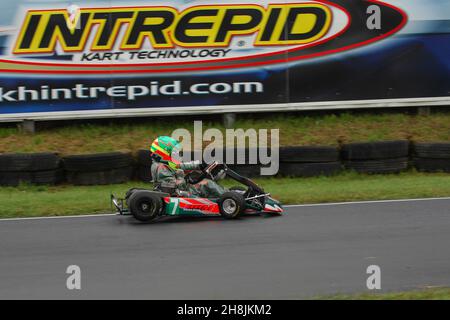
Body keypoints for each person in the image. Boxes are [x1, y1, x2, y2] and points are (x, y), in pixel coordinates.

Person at [150, 136, 226, 198]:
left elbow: (184, 165)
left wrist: (201, 165)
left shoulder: (168, 165)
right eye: (173, 153)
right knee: (207, 184)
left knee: (206, 182)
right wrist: (188, 178)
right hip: (176, 195)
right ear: (162, 153)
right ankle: (228, 199)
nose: (176, 155)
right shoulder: (161, 167)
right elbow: (171, 186)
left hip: (182, 191)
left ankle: (229, 196)